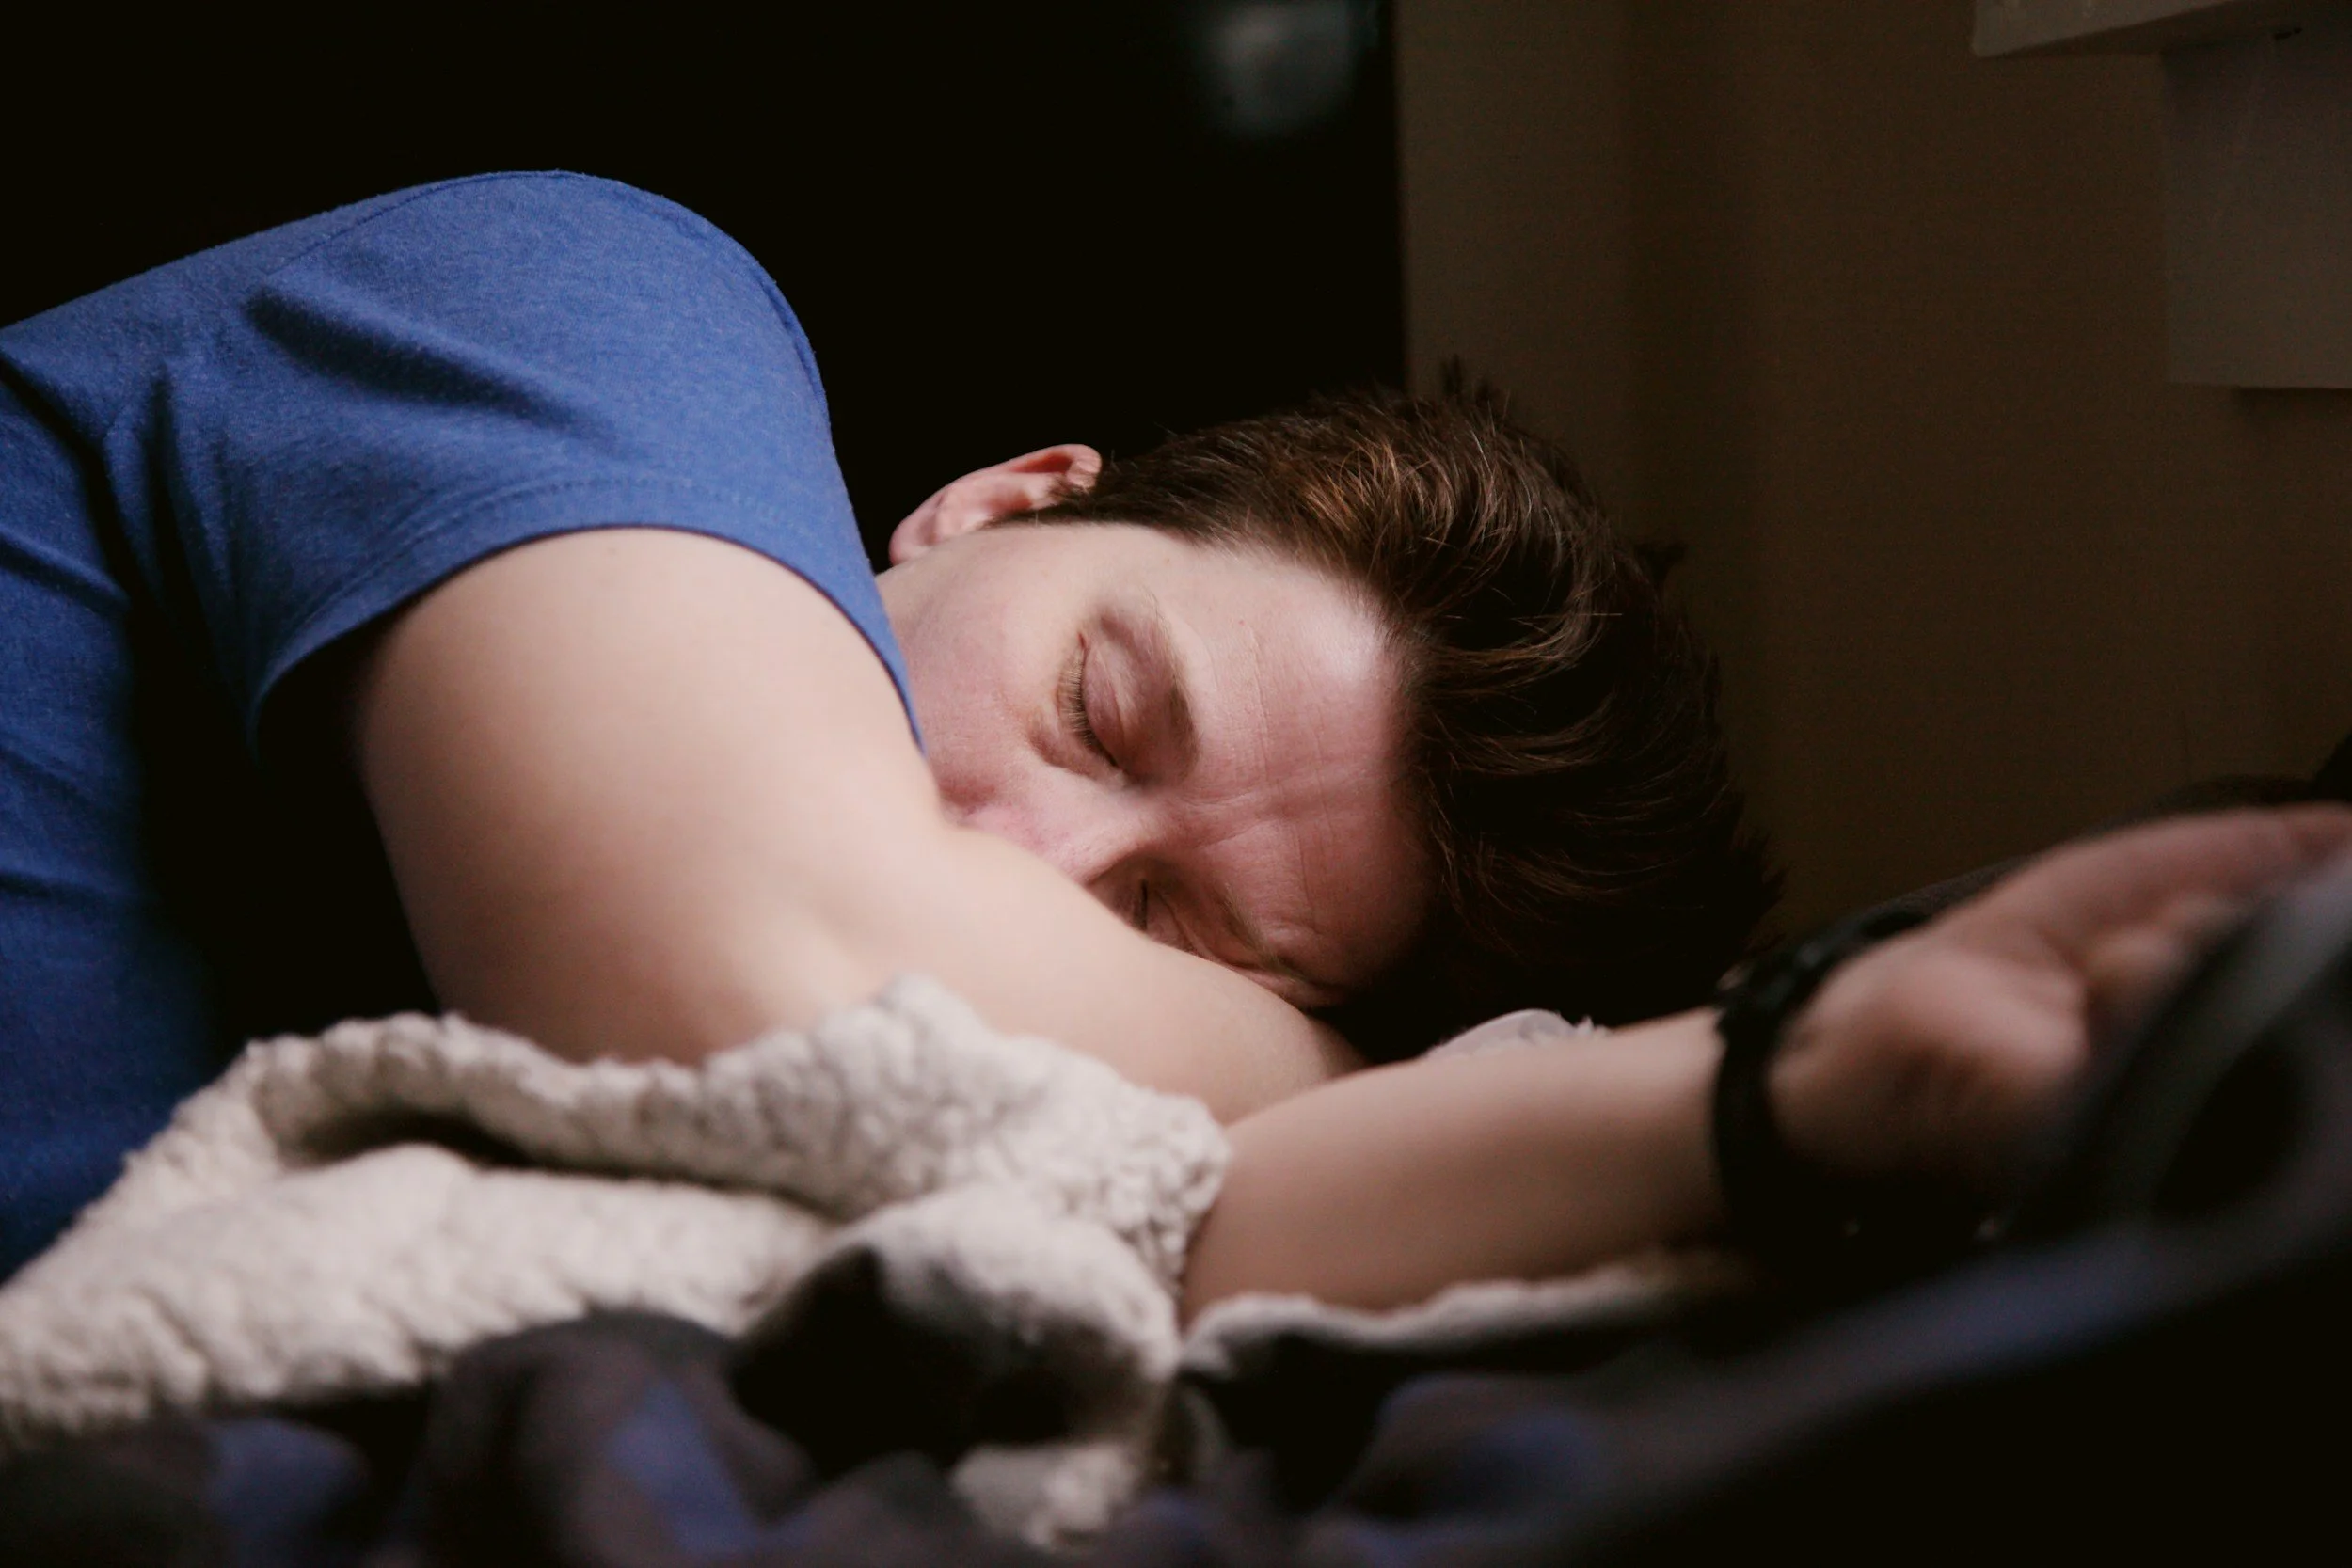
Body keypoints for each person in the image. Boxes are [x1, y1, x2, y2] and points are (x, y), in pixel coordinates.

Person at [4, 174, 2341, 1308]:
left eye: (1165, 926)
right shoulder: (589, 298)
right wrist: (1385, 1062)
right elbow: (776, 997)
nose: (1010, 862)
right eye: (1094, 709)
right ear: (999, 501)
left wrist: (1819, 1075)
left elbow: (1127, 1190)